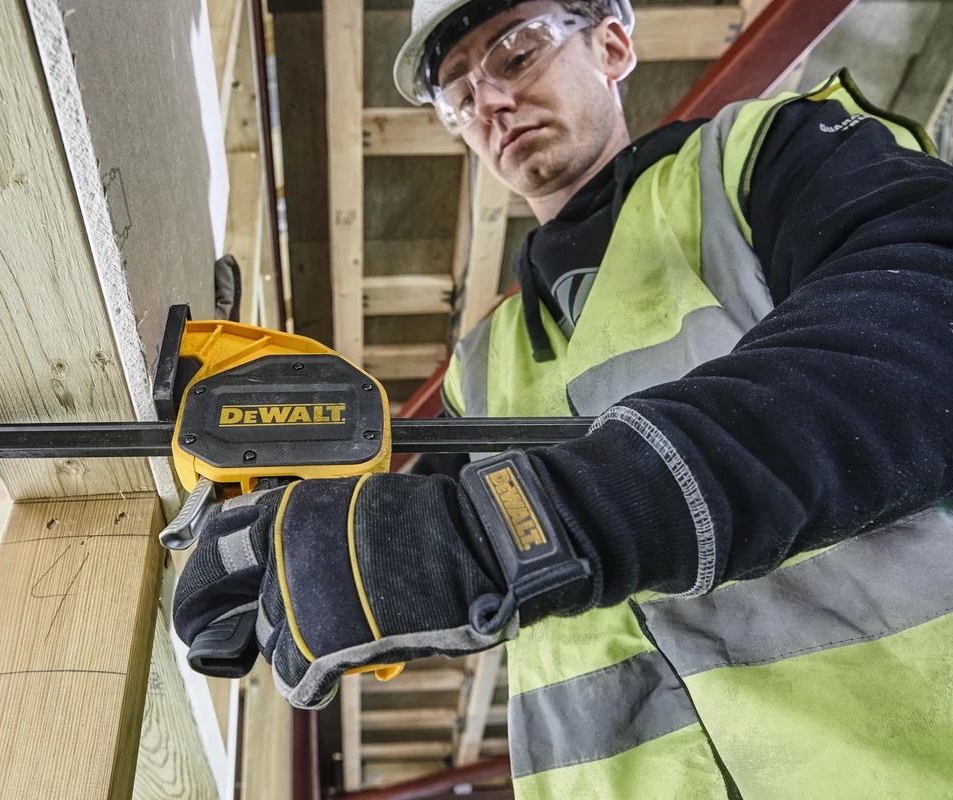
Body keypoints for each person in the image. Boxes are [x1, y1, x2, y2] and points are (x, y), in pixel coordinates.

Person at [174, 1, 953, 796]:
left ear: (612, 46)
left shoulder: (756, 161)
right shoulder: (482, 365)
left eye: (517, 54)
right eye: (459, 96)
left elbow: (927, 320)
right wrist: (281, 514)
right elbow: (401, 529)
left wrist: (527, 528)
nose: (490, 102)